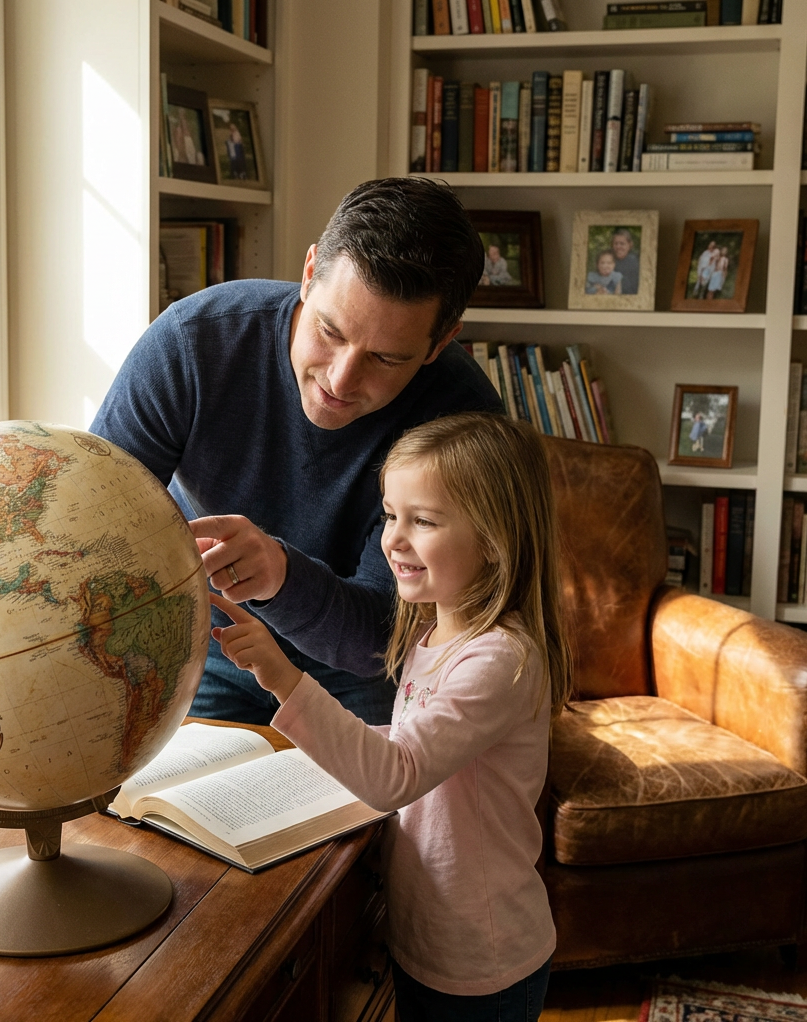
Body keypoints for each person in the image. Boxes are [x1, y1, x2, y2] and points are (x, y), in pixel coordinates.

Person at [90, 178, 503, 726]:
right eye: (329, 331)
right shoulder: (192, 344)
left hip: (361, 665)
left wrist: (281, 576)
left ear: (439, 343)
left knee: (370, 811)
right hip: (206, 632)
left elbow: (388, 635)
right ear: (310, 273)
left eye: (384, 359)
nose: (340, 378)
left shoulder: (463, 420)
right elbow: (93, 525)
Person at [209, 411, 573, 1022]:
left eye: (423, 521)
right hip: (428, 940)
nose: (393, 540)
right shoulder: (434, 634)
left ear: (494, 538)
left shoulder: (500, 660)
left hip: (483, 961)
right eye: (390, 515)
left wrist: (284, 680)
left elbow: (397, 774)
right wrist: (303, 755)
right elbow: (411, 742)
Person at [611, 228, 640, 295]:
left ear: (629, 245)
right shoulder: (607, 260)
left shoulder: (636, 262)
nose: (618, 246)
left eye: (622, 244)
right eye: (616, 243)